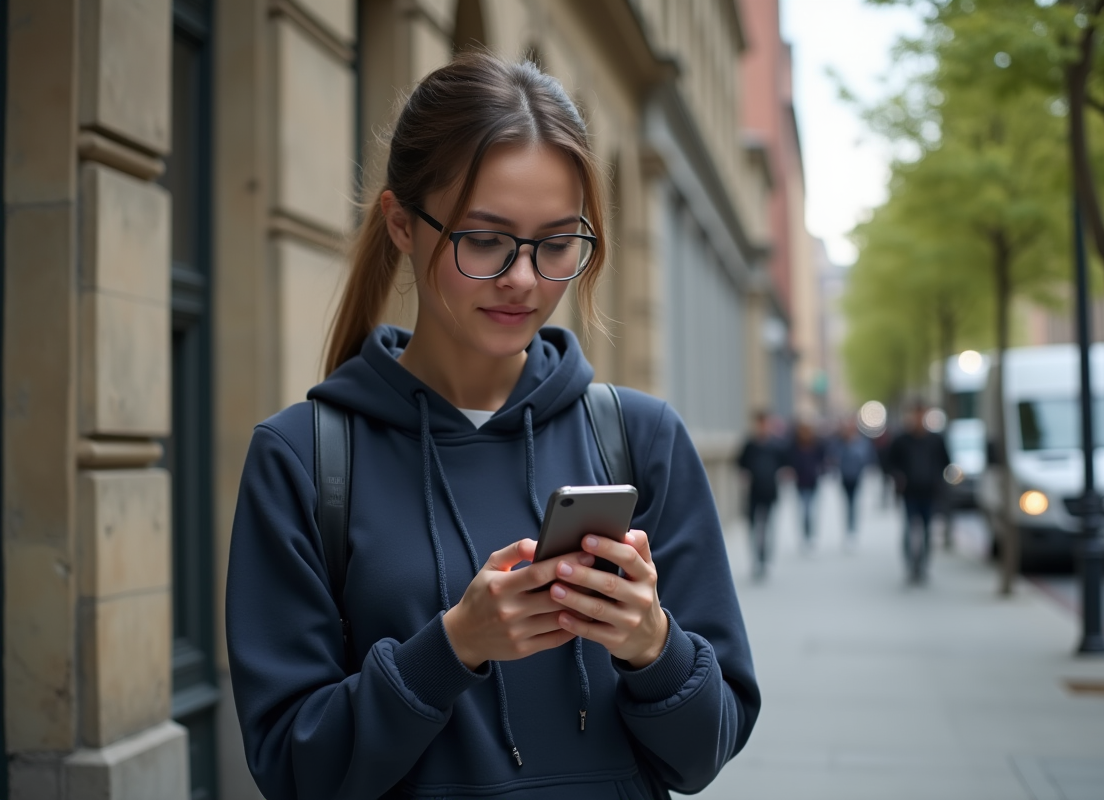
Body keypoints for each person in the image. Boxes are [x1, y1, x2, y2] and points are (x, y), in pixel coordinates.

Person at [225, 54, 759, 800]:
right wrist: (451, 648)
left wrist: (652, 646)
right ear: (401, 225)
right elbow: (293, 766)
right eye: (485, 239)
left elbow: (703, 755)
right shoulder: (304, 458)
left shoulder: (641, 438)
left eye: (556, 242)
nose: (524, 279)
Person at [888, 405, 951, 583]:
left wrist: (939, 480)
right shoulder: (901, 440)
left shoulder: (935, 440)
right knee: (909, 529)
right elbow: (890, 463)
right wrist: (898, 477)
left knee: (927, 531)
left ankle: (922, 566)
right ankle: (910, 565)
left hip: (930, 492)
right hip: (909, 492)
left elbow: (945, 462)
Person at [737, 410, 786, 580]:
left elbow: (784, 464)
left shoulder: (776, 445)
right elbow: (740, 464)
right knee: (753, 528)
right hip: (753, 492)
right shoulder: (750, 444)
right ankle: (756, 560)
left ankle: (765, 559)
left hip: (769, 491)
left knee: (767, 526)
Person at [832, 419, 874, 541]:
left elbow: (866, 457)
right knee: (847, 503)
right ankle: (849, 528)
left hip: (857, 476)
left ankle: (852, 529)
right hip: (844, 476)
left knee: (854, 503)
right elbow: (834, 457)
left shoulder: (861, 442)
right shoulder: (840, 442)